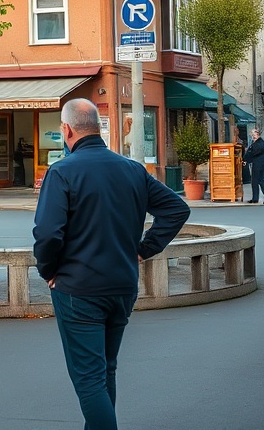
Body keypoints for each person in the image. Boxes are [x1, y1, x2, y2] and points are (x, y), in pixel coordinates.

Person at [34, 99, 190, 430]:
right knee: (106, 369)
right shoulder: (132, 169)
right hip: (122, 284)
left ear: (66, 130)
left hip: (78, 288)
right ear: (97, 128)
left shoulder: (62, 171)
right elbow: (177, 209)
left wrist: (49, 270)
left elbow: (48, 233)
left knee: (88, 378)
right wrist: (144, 250)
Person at [242, 128, 264, 204]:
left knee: (259, 180)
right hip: (258, 164)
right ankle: (255, 198)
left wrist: (245, 159)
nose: (252, 135)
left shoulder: (259, 143)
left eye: (253, 133)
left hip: (259, 165)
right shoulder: (258, 143)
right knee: (255, 181)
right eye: (252, 133)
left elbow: (252, 153)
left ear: (257, 134)